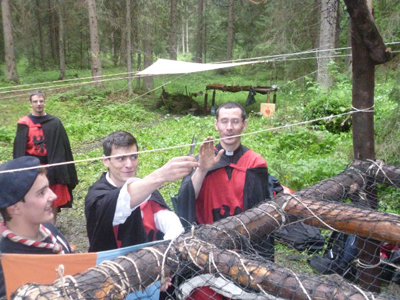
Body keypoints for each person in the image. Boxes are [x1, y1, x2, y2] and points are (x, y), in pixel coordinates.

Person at [176, 101, 273, 300]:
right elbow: (186, 201)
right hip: (206, 248)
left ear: (244, 125)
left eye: (235, 122)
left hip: (243, 248)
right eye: (225, 121)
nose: (229, 127)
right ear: (216, 124)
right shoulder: (202, 159)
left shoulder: (255, 163)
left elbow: (262, 216)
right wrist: (202, 169)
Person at [84, 130, 198, 253]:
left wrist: (168, 245)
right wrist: (161, 176)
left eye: (134, 157)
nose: (129, 164)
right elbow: (120, 204)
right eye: (121, 158)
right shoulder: (97, 196)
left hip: (150, 263)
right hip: (111, 267)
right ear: (106, 160)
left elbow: (164, 218)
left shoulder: (145, 187)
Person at [0, 156, 73, 298]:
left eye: (48, 188)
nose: (53, 196)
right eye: (41, 192)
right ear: (15, 208)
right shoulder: (7, 263)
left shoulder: (49, 230)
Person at [13, 90, 78, 224]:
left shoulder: (54, 122)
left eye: (41, 101)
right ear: (30, 104)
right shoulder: (24, 123)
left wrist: (57, 166)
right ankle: (37, 226)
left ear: (45, 102)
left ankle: (51, 227)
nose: (38, 104)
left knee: (53, 198)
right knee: (34, 197)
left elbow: (62, 147)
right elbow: (19, 149)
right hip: (33, 168)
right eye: (35, 101)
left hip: (52, 166)